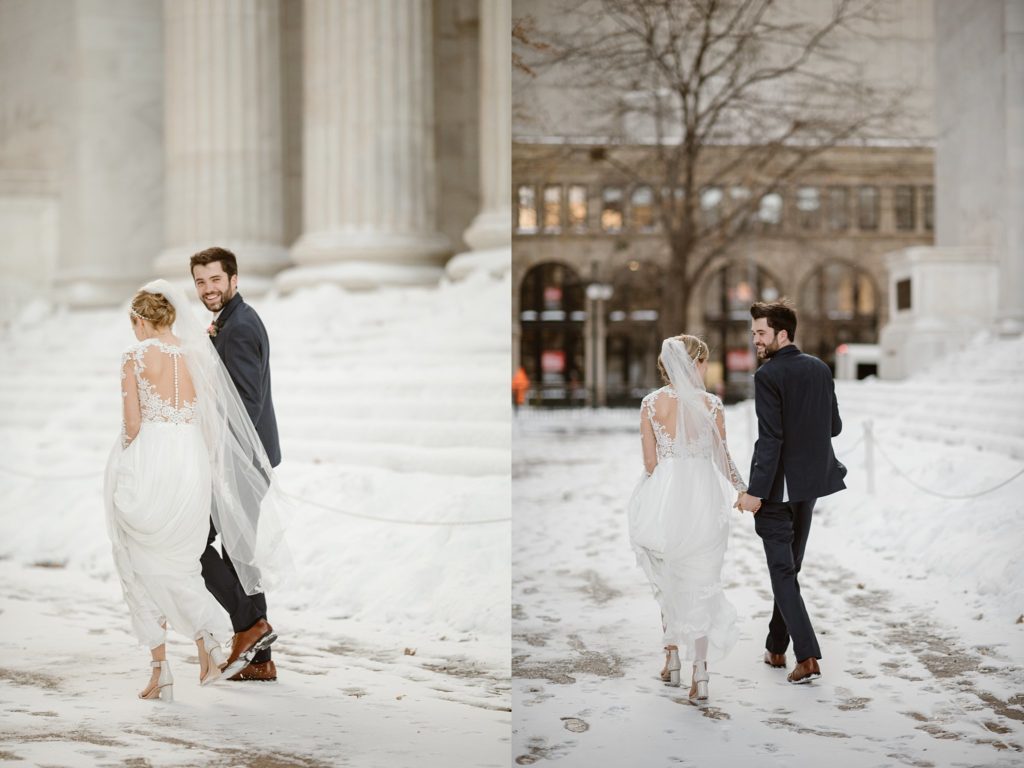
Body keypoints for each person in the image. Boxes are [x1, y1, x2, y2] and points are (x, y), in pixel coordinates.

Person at [103, 281, 281, 700]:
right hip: (189, 462)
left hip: (150, 459)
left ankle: (160, 669)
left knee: (140, 560)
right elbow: (208, 420)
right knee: (182, 560)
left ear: (140, 321)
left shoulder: (134, 357)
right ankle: (207, 648)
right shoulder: (195, 354)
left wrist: (123, 460)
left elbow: (132, 424)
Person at [627, 335, 747, 703]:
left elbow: (650, 463)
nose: (704, 369)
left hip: (663, 493)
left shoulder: (651, 404)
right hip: (702, 498)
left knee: (668, 575)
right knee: (700, 580)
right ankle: (702, 673)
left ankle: (672, 659)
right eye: (703, 362)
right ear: (693, 364)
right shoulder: (711, 405)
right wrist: (742, 489)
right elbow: (722, 458)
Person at [735, 300, 846, 684]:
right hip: (808, 487)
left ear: (783, 334)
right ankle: (776, 645)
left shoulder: (767, 376)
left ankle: (808, 656)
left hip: (777, 490)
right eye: (753, 333)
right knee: (790, 570)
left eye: (761, 333)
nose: (756, 340)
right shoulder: (820, 369)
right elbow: (833, 426)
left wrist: (754, 492)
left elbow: (770, 440)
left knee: (783, 572)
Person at [191, 246, 282, 682]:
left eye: (215, 280)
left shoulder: (240, 328)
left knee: (194, 540)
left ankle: (250, 627)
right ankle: (260, 660)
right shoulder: (230, 323)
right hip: (239, 458)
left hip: (241, 460)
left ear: (234, 279)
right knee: (239, 553)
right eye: (201, 281)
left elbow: (246, 403)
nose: (208, 289)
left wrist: (212, 445)